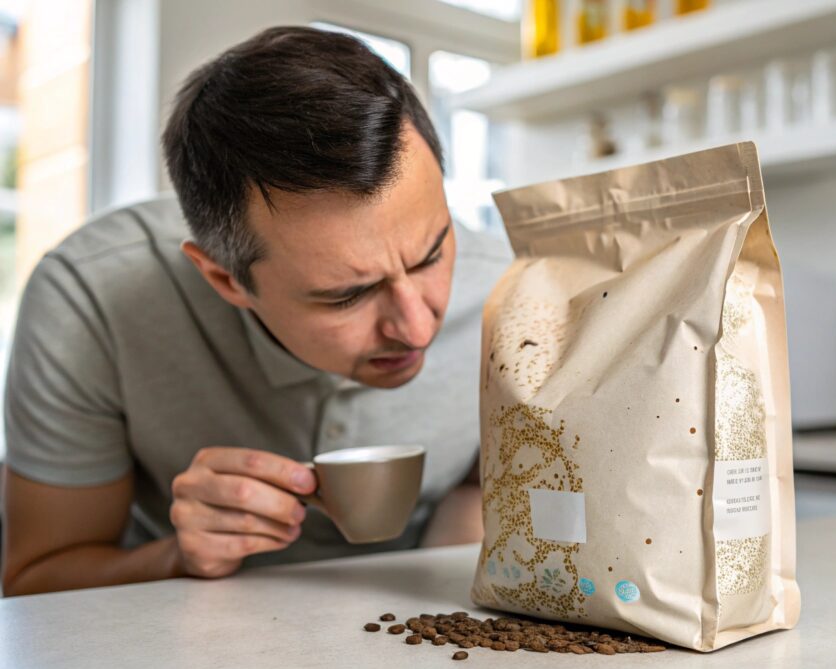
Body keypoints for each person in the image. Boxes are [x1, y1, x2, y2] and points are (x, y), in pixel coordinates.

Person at [0, 26, 509, 596]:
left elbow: (481, 485)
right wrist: (179, 557)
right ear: (225, 278)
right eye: (346, 295)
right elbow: (34, 582)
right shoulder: (88, 298)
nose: (417, 326)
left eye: (432, 253)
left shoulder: (511, 286)